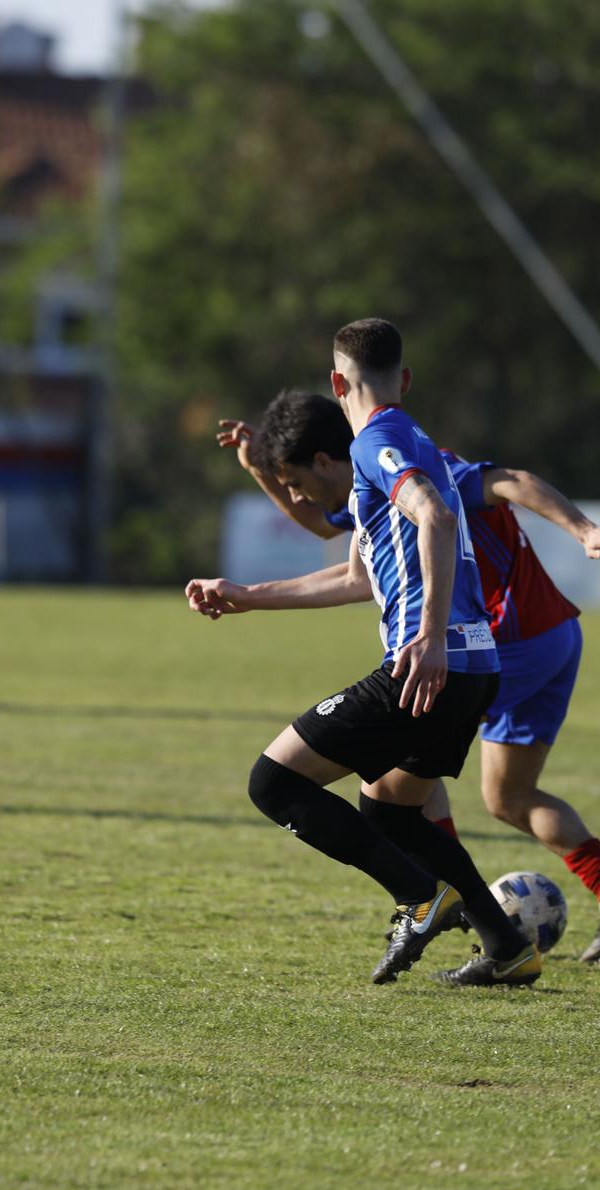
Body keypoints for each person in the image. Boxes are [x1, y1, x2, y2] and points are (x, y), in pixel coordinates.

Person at [218, 394, 600, 964]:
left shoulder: (418, 466)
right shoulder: (375, 471)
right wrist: (263, 470)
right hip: (551, 634)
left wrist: (583, 529)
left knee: (394, 787)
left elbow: (513, 481)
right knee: (507, 795)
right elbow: (328, 519)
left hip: (501, 638)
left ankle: (447, 905)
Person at [186, 318, 539, 987]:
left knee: (274, 781)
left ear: (336, 382)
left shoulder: (379, 439)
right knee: (389, 812)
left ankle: (420, 899)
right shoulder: (407, 442)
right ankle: (505, 943)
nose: (294, 491)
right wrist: (248, 593)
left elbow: (433, 513)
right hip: (472, 667)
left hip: (427, 666)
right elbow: (352, 569)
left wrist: (429, 635)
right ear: (403, 378)